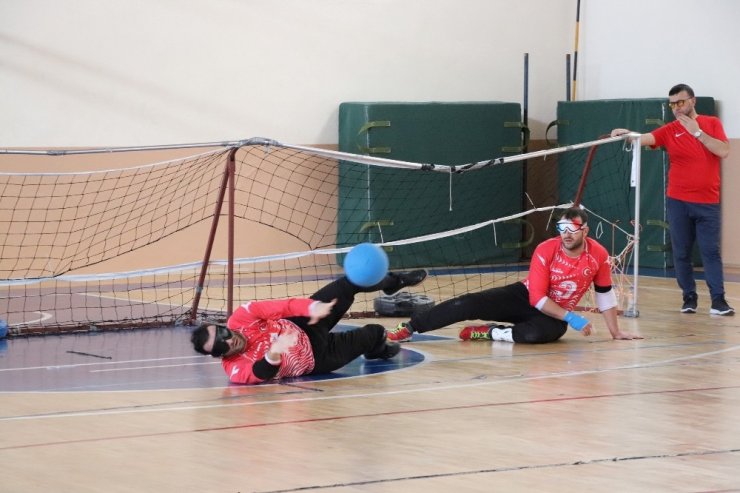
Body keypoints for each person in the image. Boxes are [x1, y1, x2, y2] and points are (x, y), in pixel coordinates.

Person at [385, 207, 642, 344]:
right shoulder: (546, 249)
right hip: (525, 297)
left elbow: (605, 294)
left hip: (554, 315)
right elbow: (537, 299)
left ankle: (489, 333)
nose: (566, 234)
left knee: (540, 336)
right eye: (562, 228)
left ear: (584, 230)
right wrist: (573, 318)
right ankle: (410, 328)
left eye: (572, 229)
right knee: (469, 303)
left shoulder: (597, 254)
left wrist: (615, 332)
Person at [611, 83, 733, 316]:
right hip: (678, 201)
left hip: (708, 203)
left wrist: (697, 132)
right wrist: (626, 134)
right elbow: (644, 138)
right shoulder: (669, 130)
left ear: (692, 101)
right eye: (672, 104)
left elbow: (724, 151)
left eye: (681, 102)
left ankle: (718, 301)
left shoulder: (711, 124)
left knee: (710, 251)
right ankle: (689, 297)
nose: (676, 107)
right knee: (681, 252)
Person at [191, 269, 427, 384]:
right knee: (374, 331)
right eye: (221, 346)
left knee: (349, 283)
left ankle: (394, 281)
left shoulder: (241, 318)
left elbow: (282, 307)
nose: (229, 340)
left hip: (302, 325)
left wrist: (311, 308)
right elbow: (259, 374)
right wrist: (274, 352)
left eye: (223, 333)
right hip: (318, 358)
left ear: (223, 326)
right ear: (217, 356)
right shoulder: (234, 369)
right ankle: (376, 349)